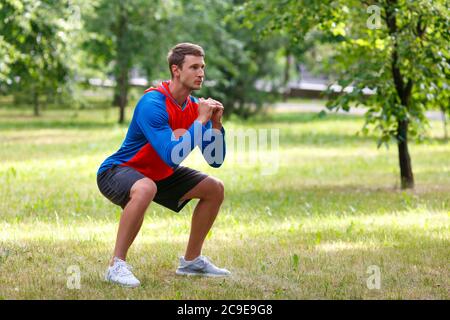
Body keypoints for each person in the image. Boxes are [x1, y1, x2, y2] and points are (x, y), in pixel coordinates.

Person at [96, 43, 230, 287]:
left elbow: (215, 159)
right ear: (176, 70)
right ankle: (116, 265)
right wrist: (201, 119)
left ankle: (191, 261)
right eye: (194, 67)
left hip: (158, 175)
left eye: (203, 67)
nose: (201, 73)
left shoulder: (192, 107)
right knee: (146, 187)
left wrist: (216, 125)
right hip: (118, 170)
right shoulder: (153, 103)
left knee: (214, 188)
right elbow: (172, 155)